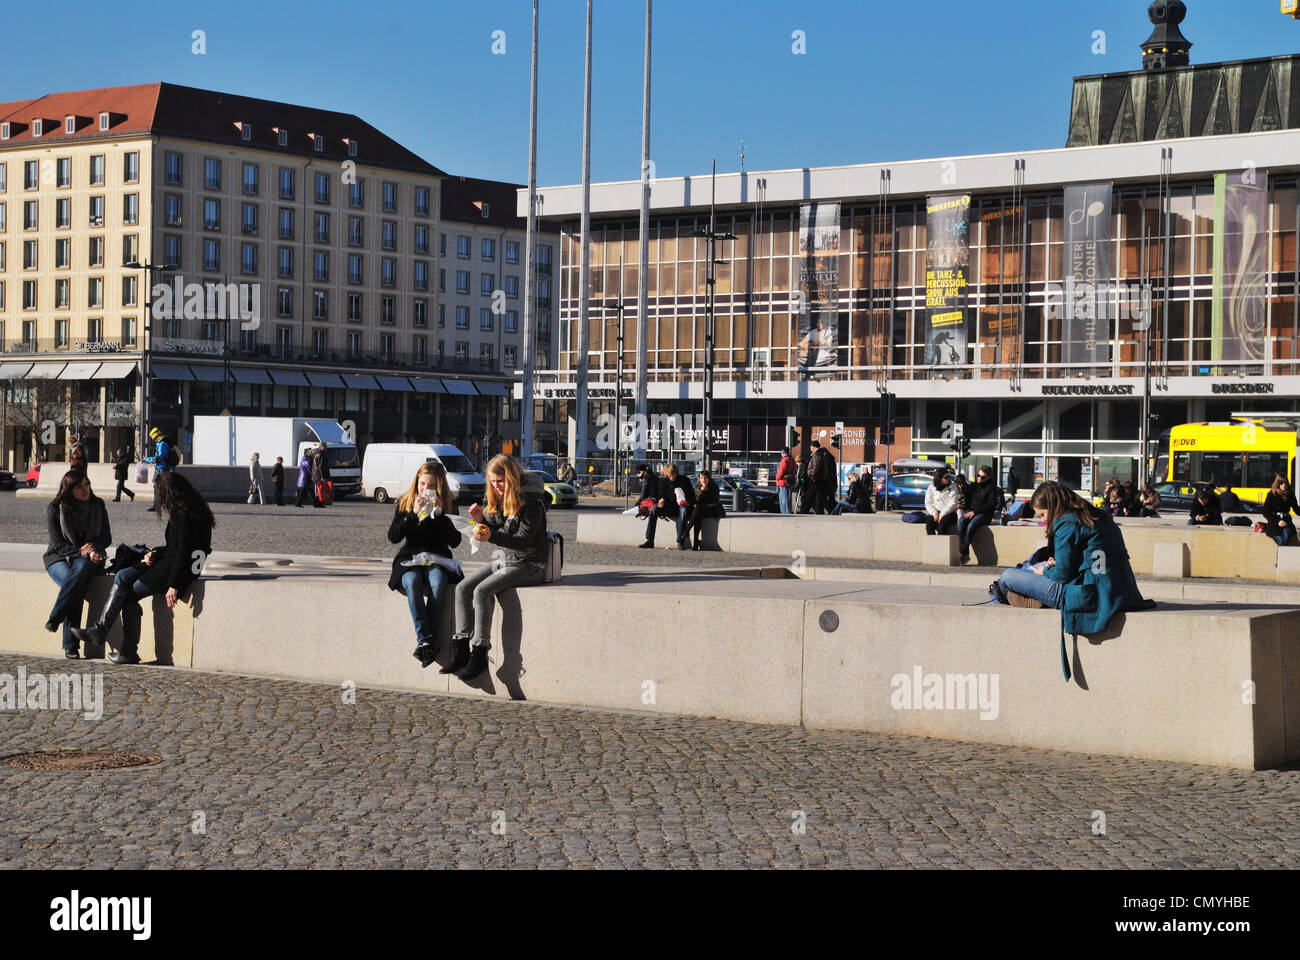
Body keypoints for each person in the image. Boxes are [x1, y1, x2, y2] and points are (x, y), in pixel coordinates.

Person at [72, 471, 214, 665]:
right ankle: (100, 631)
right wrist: (154, 552)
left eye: (160, 492)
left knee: (129, 595)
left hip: (176, 569)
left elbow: (184, 551)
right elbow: (177, 547)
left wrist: (174, 584)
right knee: (122, 575)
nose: (160, 498)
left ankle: (126, 649)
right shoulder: (192, 509)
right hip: (171, 563)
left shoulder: (183, 514)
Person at [993, 482, 1155, 634]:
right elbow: (1095, 558)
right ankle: (1027, 596)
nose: (1043, 520)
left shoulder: (1065, 522)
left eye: (1042, 514)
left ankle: (1021, 596)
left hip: (1086, 594)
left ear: (1054, 506)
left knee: (1007, 577)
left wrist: (1047, 570)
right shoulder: (1101, 517)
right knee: (1027, 571)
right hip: (1121, 591)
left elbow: (1063, 574)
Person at [444, 455, 548, 681]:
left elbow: (523, 540)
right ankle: (460, 648)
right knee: (463, 588)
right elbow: (497, 530)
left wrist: (490, 534)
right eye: (491, 481)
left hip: (531, 563)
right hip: (506, 559)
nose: (495, 486)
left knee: (482, 591)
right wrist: (480, 520)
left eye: (499, 481)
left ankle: (480, 653)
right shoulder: (499, 498)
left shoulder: (532, 501)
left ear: (511, 478)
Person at [388, 461, 463, 668]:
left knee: (438, 582)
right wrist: (413, 514)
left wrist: (440, 516)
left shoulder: (448, 505)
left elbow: (455, 541)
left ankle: (427, 642)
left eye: (431, 487)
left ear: (439, 487)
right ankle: (426, 640)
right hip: (411, 557)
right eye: (422, 484)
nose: (425, 490)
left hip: (438, 557)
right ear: (416, 483)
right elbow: (394, 536)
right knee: (411, 582)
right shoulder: (405, 503)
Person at [43, 470, 111, 659]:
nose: (85, 489)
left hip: (90, 558)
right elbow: (57, 544)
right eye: (79, 487)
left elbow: (106, 538)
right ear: (69, 490)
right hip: (58, 557)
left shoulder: (98, 505)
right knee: (75, 585)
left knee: (79, 573)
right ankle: (70, 645)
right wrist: (82, 550)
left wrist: (92, 549)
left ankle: (56, 618)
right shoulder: (55, 508)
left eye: (86, 484)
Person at [956, 465, 1002, 564]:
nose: (979, 478)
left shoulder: (992, 488)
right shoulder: (974, 485)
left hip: (985, 514)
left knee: (971, 526)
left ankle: (962, 553)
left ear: (988, 477)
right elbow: (967, 495)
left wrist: (975, 511)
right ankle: (964, 552)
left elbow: (990, 505)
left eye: (983, 477)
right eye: (978, 475)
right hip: (972, 511)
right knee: (960, 522)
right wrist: (962, 486)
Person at [656, 463, 696, 549]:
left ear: (676, 472)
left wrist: (687, 503)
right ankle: (649, 540)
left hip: (683, 506)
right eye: (669, 476)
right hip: (669, 507)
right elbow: (661, 496)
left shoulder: (684, 480)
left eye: (673, 475)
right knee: (653, 510)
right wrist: (661, 501)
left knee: (683, 511)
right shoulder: (663, 482)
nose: (672, 477)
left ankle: (680, 541)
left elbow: (692, 495)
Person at [687, 470, 727, 548]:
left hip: (713, 509)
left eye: (705, 478)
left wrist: (705, 492)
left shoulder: (714, 487)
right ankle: (695, 543)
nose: (703, 480)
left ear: (709, 478)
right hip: (701, 510)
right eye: (701, 478)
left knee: (698, 511)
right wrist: (702, 491)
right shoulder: (698, 487)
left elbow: (714, 501)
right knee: (697, 515)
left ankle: (687, 532)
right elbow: (696, 501)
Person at [1261, 475, 1299, 547]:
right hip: (1274, 524)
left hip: (1287, 522)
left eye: (1285, 483)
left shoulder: (1290, 494)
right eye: (1281, 483)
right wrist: (1277, 521)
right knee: (1281, 540)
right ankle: (1283, 556)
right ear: (1277, 484)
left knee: (1286, 534)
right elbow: (1265, 512)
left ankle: (1282, 556)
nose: (1284, 485)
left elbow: (1296, 509)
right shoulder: (1271, 494)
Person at [145, 427, 175, 513]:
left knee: (161, 487)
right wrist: (149, 460)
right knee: (156, 486)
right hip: (158, 468)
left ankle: (163, 505)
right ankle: (157, 505)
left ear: (155, 436)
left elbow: (160, 457)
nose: (153, 440)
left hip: (162, 468)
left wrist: (150, 460)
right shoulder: (160, 444)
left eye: (153, 438)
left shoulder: (163, 444)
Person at [924, 469, 960, 535]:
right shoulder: (931, 487)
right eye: (946, 477)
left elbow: (953, 503)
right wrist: (934, 513)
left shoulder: (953, 486)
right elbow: (928, 502)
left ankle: (942, 544)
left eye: (949, 477)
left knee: (942, 525)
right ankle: (932, 543)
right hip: (935, 512)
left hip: (949, 513)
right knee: (929, 523)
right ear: (939, 478)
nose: (948, 479)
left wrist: (942, 514)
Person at [635, 463, 662, 549]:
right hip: (657, 500)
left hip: (654, 501)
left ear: (640, 472)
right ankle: (649, 540)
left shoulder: (646, 476)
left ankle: (649, 540)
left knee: (651, 512)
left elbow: (644, 492)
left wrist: (638, 503)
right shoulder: (651, 474)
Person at [810, 441, 837, 515]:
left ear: (813, 447)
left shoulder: (817, 454)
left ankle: (822, 511)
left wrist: (811, 475)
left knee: (818, 497)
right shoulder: (829, 456)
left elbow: (816, 467)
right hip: (830, 481)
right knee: (827, 498)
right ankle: (832, 510)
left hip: (820, 480)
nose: (811, 449)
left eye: (811, 448)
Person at [774, 446, 797, 515]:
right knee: (787, 496)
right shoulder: (792, 459)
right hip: (789, 480)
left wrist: (777, 477)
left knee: (783, 497)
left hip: (782, 481)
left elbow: (781, 471)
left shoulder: (784, 460)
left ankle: (785, 512)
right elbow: (795, 470)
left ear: (783, 452)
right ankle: (787, 511)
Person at [311, 442, 332, 507]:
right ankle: (318, 504)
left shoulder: (316, 453)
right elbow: (321, 466)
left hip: (315, 474)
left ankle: (317, 503)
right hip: (319, 475)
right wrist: (323, 476)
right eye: (325, 446)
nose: (326, 448)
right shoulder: (321, 454)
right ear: (321, 447)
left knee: (317, 490)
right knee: (320, 490)